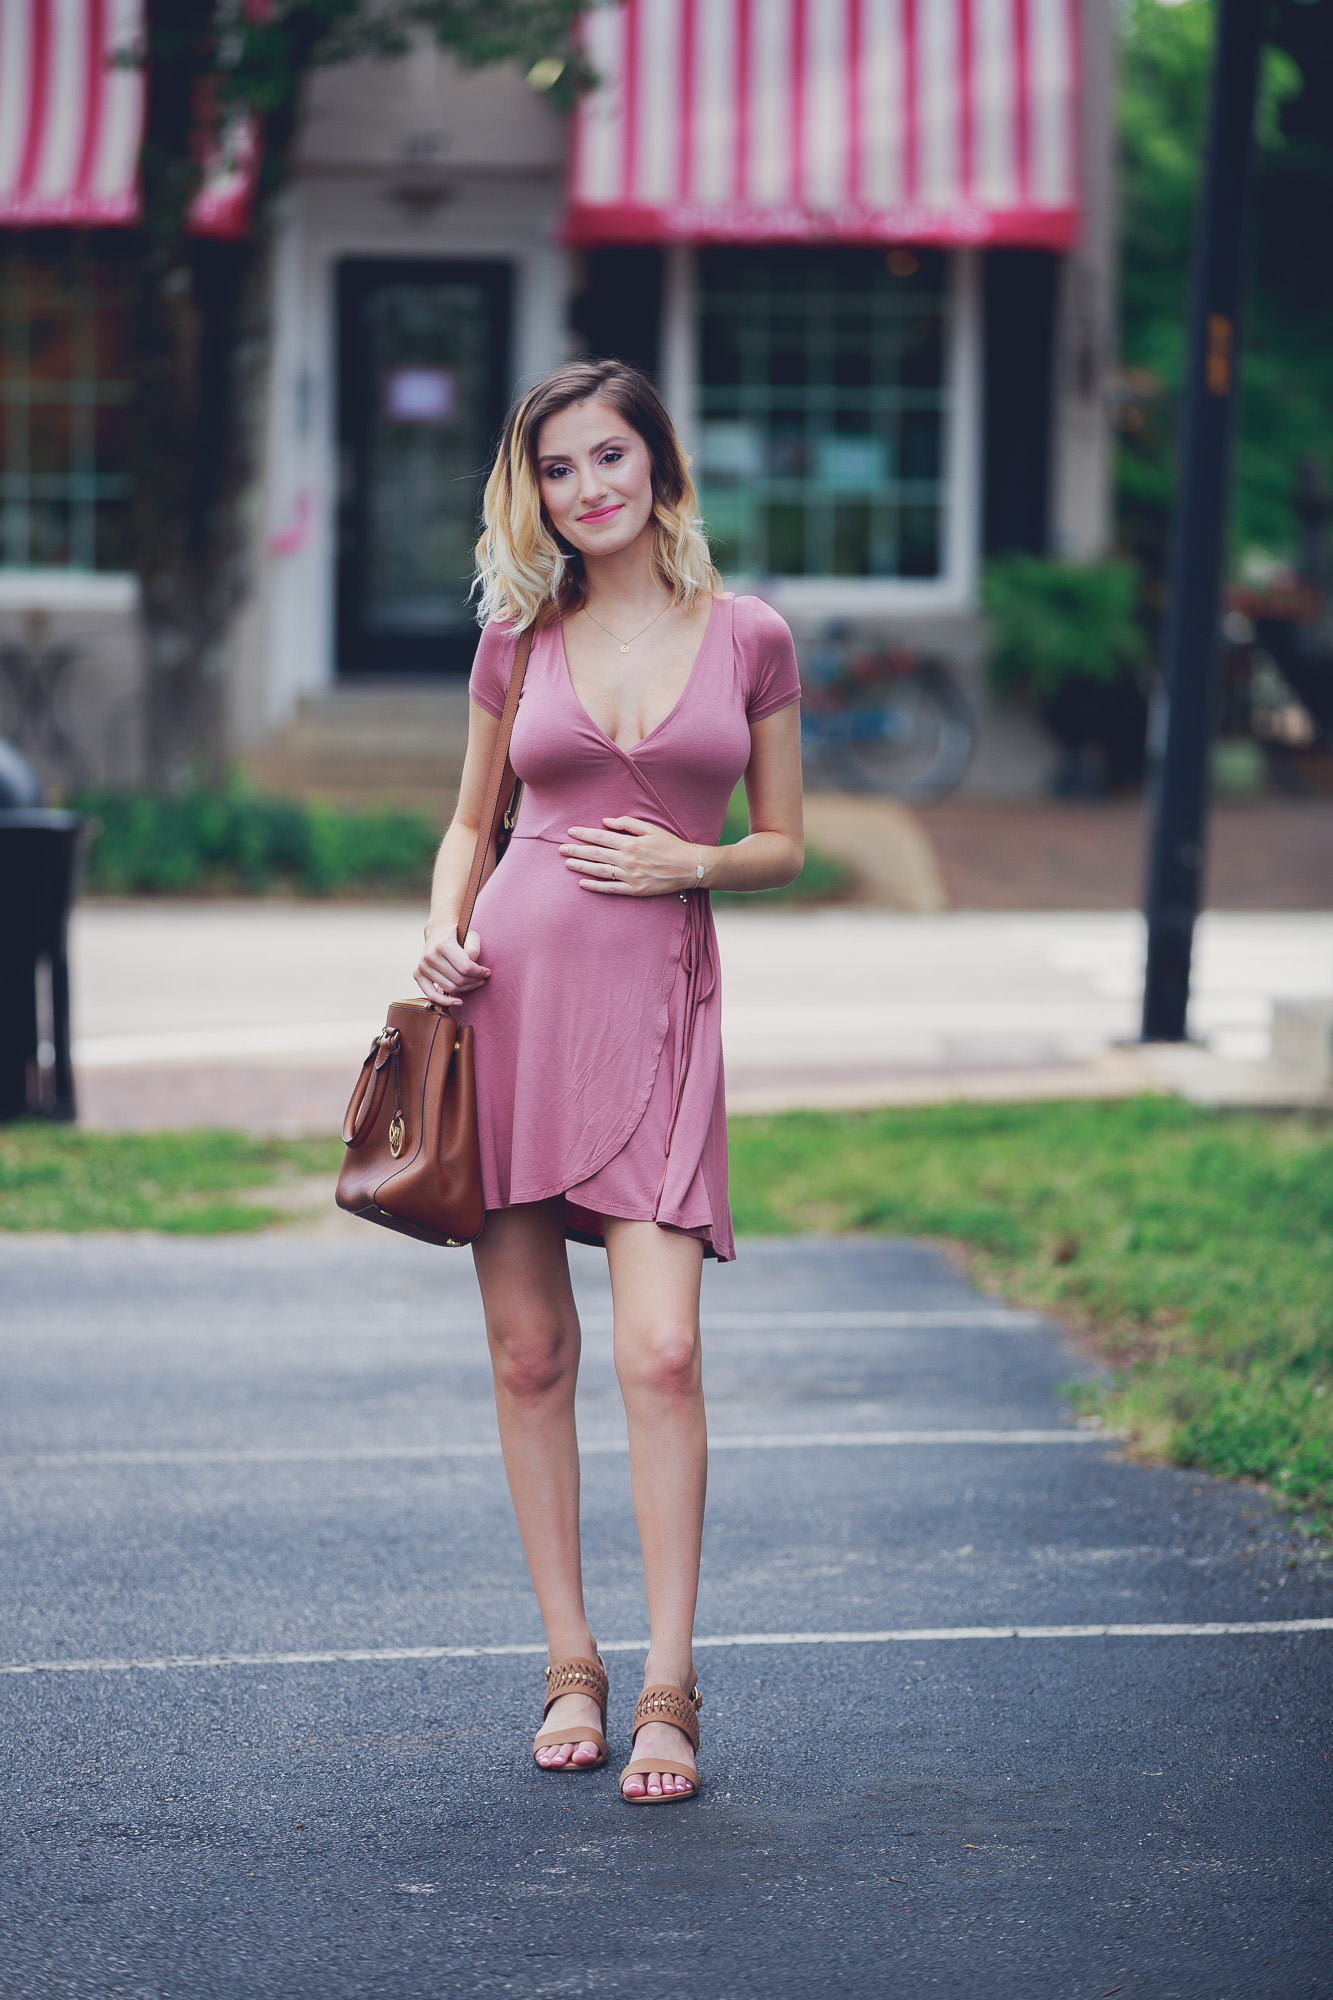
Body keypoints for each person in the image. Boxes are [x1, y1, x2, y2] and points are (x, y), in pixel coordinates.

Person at [413, 359, 804, 1805]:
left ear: (658, 466)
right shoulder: (516, 639)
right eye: (559, 469)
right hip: (509, 1003)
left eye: (609, 458)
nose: (587, 489)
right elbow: (469, 824)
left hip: (657, 1012)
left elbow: (784, 840)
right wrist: (441, 929)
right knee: (530, 1357)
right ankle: (569, 1660)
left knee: (661, 1351)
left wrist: (690, 863)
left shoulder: (748, 634)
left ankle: (667, 1682)